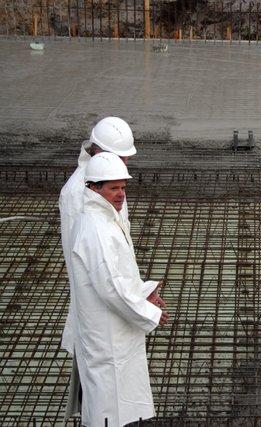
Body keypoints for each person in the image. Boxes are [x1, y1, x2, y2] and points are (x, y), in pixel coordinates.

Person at [59, 117, 157, 420]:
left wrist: (140, 291)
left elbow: (116, 258)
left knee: (113, 395)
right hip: (101, 316)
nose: (126, 162)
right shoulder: (79, 196)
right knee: (103, 395)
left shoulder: (104, 182)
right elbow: (101, 273)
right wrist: (144, 307)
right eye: (122, 156)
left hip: (115, 308)